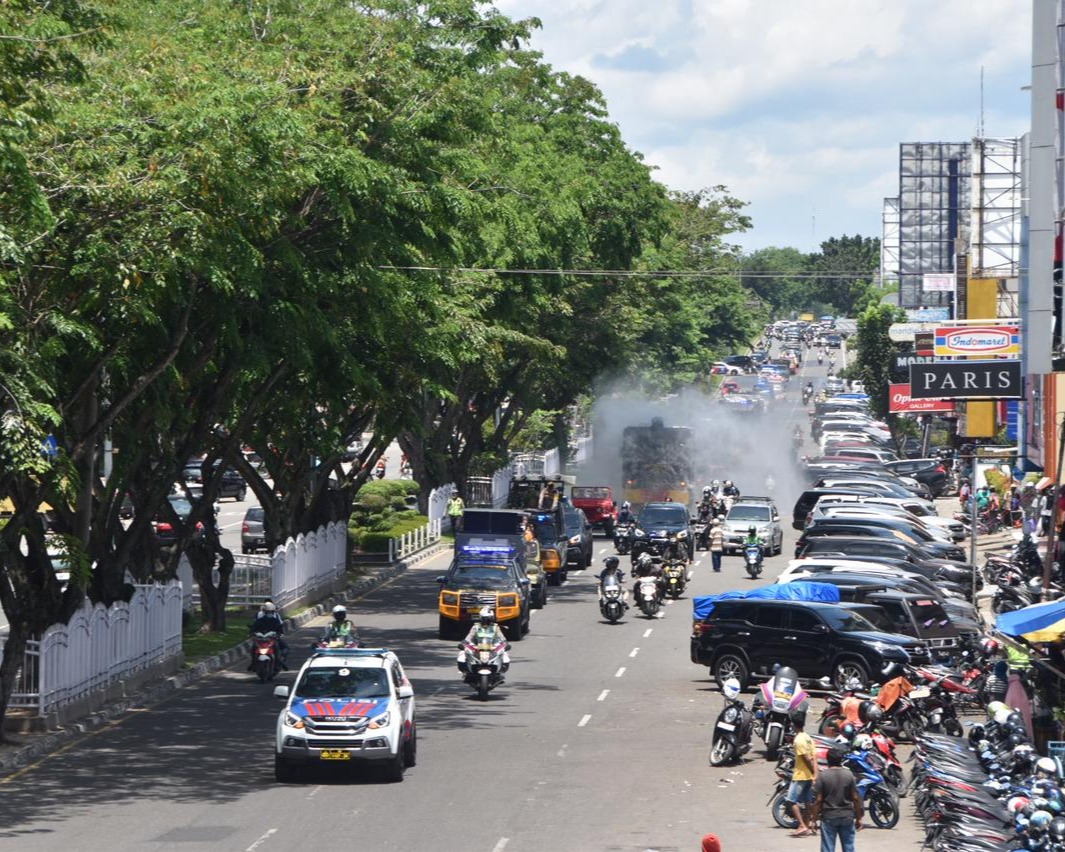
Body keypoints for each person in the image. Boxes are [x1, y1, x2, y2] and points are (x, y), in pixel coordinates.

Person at [808, 746, 863, 852]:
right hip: (847, 816)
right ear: (841, 761)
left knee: (828, 848)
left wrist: (814, 819)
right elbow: (855, 798)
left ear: (827, 760)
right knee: (849, 848)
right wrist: (859, 817)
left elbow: (818, 800)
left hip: (829, 816)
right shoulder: (849, 774)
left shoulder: (823, 776)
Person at [787, 706, 818, 837]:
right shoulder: (808, 738)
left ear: (794, 725)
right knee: (807, 801)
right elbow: (814, 757)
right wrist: (815, 774)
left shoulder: (798, 740)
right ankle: (808, 824)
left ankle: (801, 825)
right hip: (809, 776)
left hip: (800, 775)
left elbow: (807, 759)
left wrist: (812, 771)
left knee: (791, 800)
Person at [457, 607, 509, 678]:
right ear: (481, 618)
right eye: (485, 618)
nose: (486, 620)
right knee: (462, 654)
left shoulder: (495, 627)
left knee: (505, 654)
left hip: (492, 648)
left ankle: (501, 672)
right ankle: (466, 672)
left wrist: (505, 644)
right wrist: (464, 643)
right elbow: (469, 637)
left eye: (488, 618)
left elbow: (502, 638)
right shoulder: (476, 626)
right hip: (477, 647)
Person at [249, 600, 289, 670]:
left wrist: (278, 635)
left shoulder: (275, 621)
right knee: (253, 648)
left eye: (271, 612)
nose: (269, 613)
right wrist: (253, 634)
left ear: (273, 612)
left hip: (272, 639)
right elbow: (253, 629)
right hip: (261, 639)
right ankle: (253, 663)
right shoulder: (259, 621)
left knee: (283, 647)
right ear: (264, 612)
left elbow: (280, 630)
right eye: (268, 612)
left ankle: (279, 662)